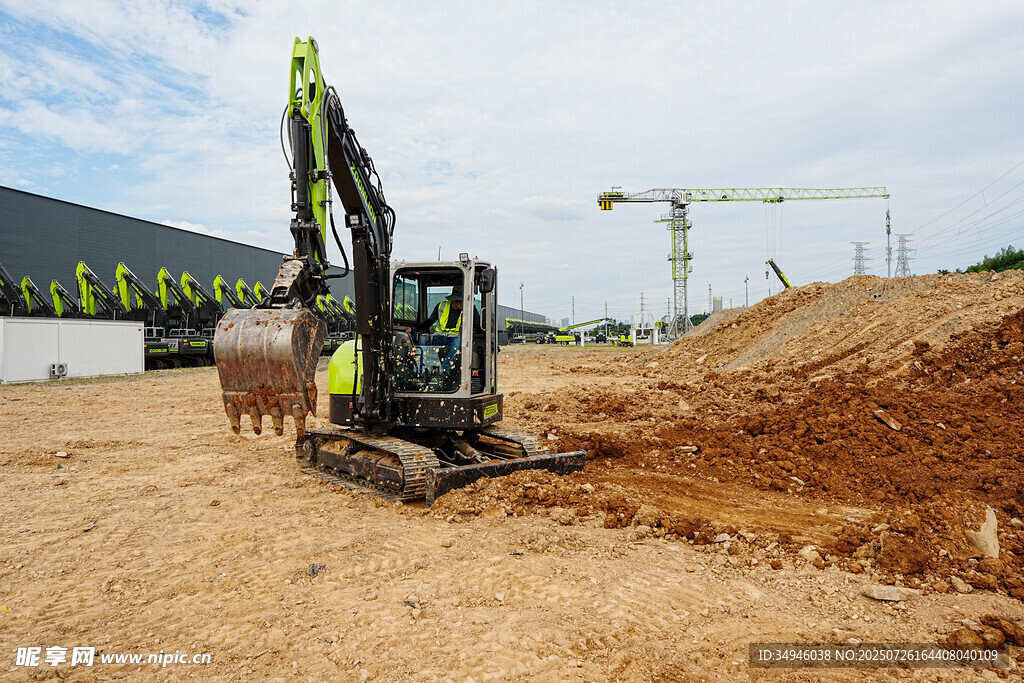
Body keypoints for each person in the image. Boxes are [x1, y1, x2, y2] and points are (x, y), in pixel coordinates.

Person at [410, 285, 483, 388]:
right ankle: (419, 372)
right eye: (460, 301)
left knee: (458, 343)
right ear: (454, 300)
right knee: (422, 338)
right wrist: (414, 330)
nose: (463, 303)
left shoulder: (469, 309)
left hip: (455, 338)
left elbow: (478, 325)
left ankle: (441, 374)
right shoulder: (441, 306)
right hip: (439, 337)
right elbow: (429, 322)